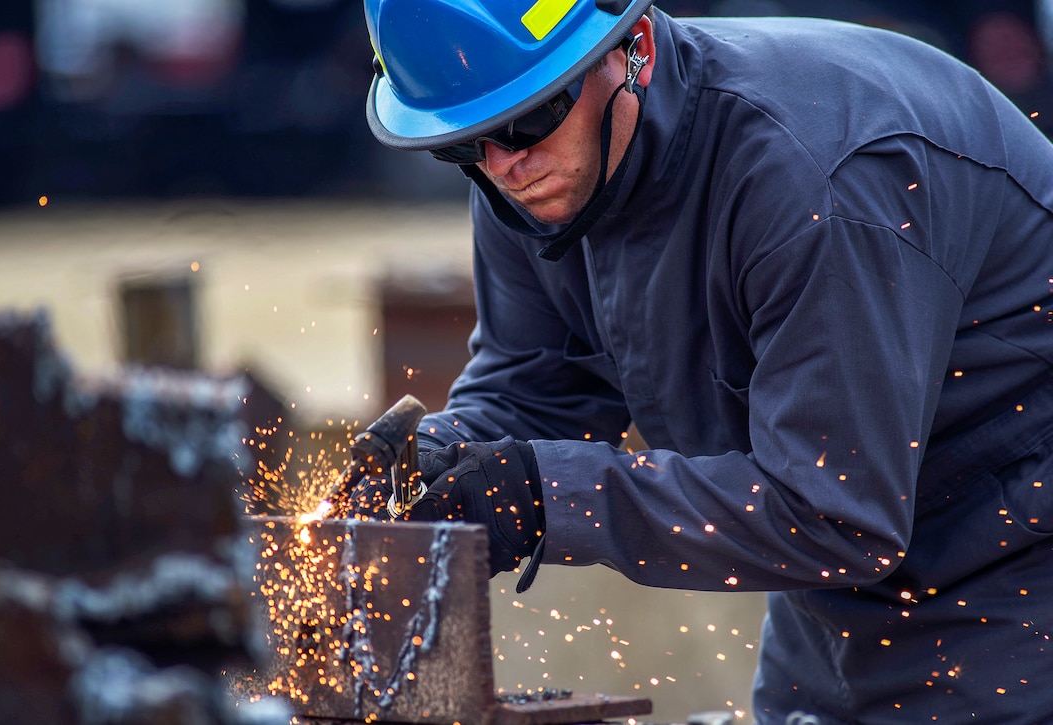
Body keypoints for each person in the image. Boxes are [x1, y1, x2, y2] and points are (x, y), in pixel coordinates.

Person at [355, 0, 1053, 722]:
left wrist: (537, 498)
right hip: (835, 595)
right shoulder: (532, 171)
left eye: (525, 120)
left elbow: (836, 512)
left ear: (637, 52)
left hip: (1017, 562)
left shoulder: (815, 181)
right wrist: (443, 458)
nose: (506, 164)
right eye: (463, 145)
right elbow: (539, 383)